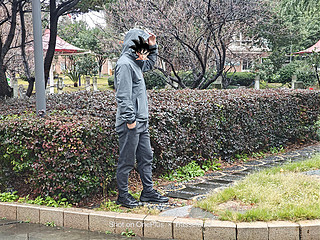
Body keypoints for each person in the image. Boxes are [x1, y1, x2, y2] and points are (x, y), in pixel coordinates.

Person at [114, 28, 169, 208]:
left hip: (141, 121)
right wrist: (130, 121)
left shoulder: (136, 63)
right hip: (131, 123)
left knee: (146, 157)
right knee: (127, 161)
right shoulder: (124, 64)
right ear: (133, 43)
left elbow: (150, 64)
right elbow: (123, 96)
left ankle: (148, 192)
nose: (144, 48)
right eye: (143, 44)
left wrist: (154, 47)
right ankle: (123, 196)